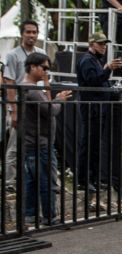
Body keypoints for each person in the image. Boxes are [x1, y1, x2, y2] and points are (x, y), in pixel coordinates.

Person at [21, 53, 72, 225]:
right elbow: (51, 110)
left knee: (33, 182)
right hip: (40, 143)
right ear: (33, 67)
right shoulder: (32, 89)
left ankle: (30, 216)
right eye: (44, 67)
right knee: (47, 182)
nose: (45, 72)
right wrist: (60, 99)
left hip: (33, 143)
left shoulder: (27, 86)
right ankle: (51, 217)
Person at [76, 32, 122, 192]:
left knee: (94, 146)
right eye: (101, 44)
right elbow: (93, 82)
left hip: (97, 108)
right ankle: (84, 180)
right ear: (92, 44)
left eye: (104, 44)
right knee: (88, 145)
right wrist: (108, 68)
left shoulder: (94, 60)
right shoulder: (87, 60)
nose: (104, 47)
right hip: (91, 109)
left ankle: (93, 180)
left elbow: (99, 82)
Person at [3, 20, 46, 194]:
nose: (31, 35)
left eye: (34, 32)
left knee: (39, 143)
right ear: (22, 33)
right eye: (28, 32)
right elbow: (10, 81)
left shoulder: (41, 53)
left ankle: (38, 177)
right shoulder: (13, 55)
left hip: (37, 102)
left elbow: (46, 79)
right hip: (21, 104)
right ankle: (8, 181)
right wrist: (13, 110)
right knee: (14, 144)